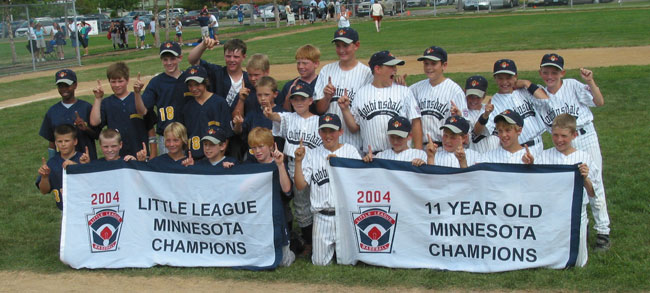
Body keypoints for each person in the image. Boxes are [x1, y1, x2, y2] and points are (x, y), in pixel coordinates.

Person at [535, 53, 610, 251]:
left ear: (562, 72)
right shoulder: (540, 93)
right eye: (546, 72)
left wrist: (590, 81)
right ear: (541, 72)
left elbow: (599, 101)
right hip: (562, 141)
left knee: (593, 182)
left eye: (554, 72)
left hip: (585, 136)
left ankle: (603, 231)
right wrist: (525, 83)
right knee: (568, 184)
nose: (550, 75)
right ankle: (579, 227)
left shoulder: (573, 85)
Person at [294, 113, 362, 265]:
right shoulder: (311, 154)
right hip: (321, 216)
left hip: (345, 215)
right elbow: (300, 185)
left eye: (332, 131)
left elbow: (359, 179)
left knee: (349, 262)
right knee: (319, 263)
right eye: (324, 131)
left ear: (340, 132)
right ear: (319, 132)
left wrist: (341, 163)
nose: (328, 135)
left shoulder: (350, 151)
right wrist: (298, 162)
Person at [266, 80, 322, 257]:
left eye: (303, 99)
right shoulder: (289, 118)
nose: (298, 102)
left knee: (318, 203)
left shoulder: (319, 121)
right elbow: (277, 117)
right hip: (292, 165)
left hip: (316, 165)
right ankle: (309, 242)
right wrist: (269, 114)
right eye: (295, 99)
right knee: (301, 205)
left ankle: (320, 239)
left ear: (310, 100)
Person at [537, 114, 600, 265]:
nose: (559, 140)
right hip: (550, 213)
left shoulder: (584, 157)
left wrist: (585, 178)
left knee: (577, 262)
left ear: (574, 135)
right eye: (555, 135)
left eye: (564, 136)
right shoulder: (544, 156)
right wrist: (531, 167)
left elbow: (592, 193)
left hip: (576, 213)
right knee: (548, 260)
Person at [339, 50, 422, 155]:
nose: (395, 70)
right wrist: (345, 109)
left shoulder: (404, 91)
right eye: (391, 67)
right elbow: (354, 128)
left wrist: (419, 153)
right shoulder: (361, 93)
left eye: (395, 66)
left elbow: (416, 122)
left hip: (401, 156)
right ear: (377, 69)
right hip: (372, 158)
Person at [313, 27, 373, 152]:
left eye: (345, 46)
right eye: (338, 46)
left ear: (357, 45)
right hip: (328, 143)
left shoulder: (366, 74)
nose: (341, 50)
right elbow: (319, 109)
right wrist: (327, 98)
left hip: (354, 144)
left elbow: (362, 119)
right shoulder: (326, 70)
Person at [473, 59, 549, 156]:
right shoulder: (494, 103)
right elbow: (477, 132)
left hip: (539, 146)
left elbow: (546, 101)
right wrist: (485, 115)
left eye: (508, 77)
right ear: (495, 78)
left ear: (515, 76)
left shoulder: (525, 91)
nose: (505, 82)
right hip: (517, 152)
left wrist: (527, 83)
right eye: (500, 78)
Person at [246, 127, 295, 266]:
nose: (257, 151)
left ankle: (294, 244)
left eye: (261, 147)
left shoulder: (278, 163)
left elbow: (287, 189)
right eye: (254, 148)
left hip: (278, 214)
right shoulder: (249, 164)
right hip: (257, 215)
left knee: (284, 262)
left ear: (270, 146)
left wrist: (280, 165)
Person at [136, 41, 189, 156]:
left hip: (189, 133)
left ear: (180, 58)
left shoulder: (188, 79)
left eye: (172, 58)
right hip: (167, 136)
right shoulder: (156, 82)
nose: (169, 63)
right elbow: (142, 111)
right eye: (165, 59)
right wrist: (137, 93)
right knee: (167, 170)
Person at [409, 46, 468, 148]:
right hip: (422, 148)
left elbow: (466, 124)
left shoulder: (455, 91)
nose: (429, 67)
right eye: (426, 64)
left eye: (433, 63)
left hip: (445, 149)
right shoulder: (416, 88)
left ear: (444, 65)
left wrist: (460, 115)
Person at [89, 62, 152, 157]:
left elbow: (144, 115)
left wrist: (137, 93)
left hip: (139, 152)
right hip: (117, 155)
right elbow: (94, 122)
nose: (117, 85)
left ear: (127, 80)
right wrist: (98, 98)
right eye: (113, 82)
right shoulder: (106, 103)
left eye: (120, 81)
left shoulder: (138, 98)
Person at [40, 69, 98, 161]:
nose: (64, 89)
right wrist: (51, 162)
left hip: (87, 160)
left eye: (67, 86)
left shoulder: (86, 107)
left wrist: (86, 128)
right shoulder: (53, 111)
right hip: (63, 163)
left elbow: (97, 135)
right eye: (60, 86)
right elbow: (51, 141)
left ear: (75, 85)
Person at [182, 65, 233, 161]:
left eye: (197, 84)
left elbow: (227, 134)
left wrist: (219, 158)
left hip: (216, 158)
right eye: (190, 85)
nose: (194, 88)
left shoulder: (219, 103)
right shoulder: (187, 107)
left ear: (205, 83)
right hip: (194, 158)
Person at [189, 38, 251, 116]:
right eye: (228, 56)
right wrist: (203, 45)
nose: (232, 60)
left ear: (244, 57)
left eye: (236, 57)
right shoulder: (217, 73)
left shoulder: (249, 79)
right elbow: (193, 61)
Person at [35, 124, 84, 211]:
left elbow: (90, 183)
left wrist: (77, 167)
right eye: (60, 141)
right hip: (64, 209)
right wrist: (44, 177)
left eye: (67, 140)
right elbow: (44, 191)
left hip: (83, 205)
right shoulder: (52, 163)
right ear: (56, 143)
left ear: (75, 141)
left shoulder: (82, 159)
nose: (63, 144)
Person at [362, 116, 428, 166]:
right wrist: (368, 161)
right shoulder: (381, 156)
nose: (395, 141)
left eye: (400, 137)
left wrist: (423, 166)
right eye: (392, 137)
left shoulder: (420, 154)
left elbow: (429, 178)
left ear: (409, 136)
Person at [277, 44, 320, 111]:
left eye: (305, 63)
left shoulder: (322, 82)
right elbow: (285, 113)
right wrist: (288, 98)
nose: (300, 66)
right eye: (298, 63)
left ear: (316, 64)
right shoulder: (289, 86)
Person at [464, 75, 500, 153]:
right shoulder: (463, 111)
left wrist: (486, 114)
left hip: (495, 154)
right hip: (474, 156)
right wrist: (485, 115)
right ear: (465, 93)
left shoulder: (491, 110)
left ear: (484, 95)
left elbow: (479, 131)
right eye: (471, 96)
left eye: (477, 97)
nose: (474, 100)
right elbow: (477, 132)